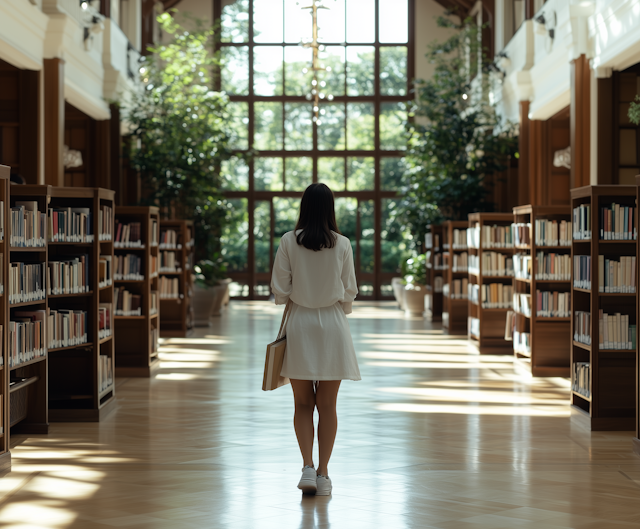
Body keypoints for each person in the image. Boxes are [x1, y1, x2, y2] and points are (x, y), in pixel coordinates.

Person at [271, 183, 360, 496]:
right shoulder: (343, 244)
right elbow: (349, 291)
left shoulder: (288, 241)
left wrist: (298, 292)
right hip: (333, 326)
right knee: (328, 405)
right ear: (330, 208)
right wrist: (338, 304)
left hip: (300, 325)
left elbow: (280, 291)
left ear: (303, 207)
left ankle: (307, 467)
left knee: (302, 403)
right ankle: (324, 473)